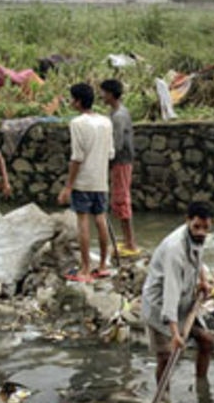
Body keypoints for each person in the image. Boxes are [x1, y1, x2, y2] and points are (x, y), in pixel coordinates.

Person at [141, 201, 214, 390]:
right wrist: (175, 334)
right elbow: (170, 293)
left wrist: (203, 280)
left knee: (206, 341)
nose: (201, 232)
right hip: (160, 305)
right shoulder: (175, 249)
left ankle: (201, 387)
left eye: (205, 228)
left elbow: (198, 257)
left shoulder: (198, 237)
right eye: (197, 227)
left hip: (184, 301)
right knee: (166, 357)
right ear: (188, 221)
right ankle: (164, 397)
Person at [57, 83, 114, 283]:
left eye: (72, 99)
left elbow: (77, 157)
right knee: (100, 219)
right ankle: (103, 265)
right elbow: (110, 153)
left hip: (84, 180)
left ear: (78, 101)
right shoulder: (106, 122)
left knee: (83, 221)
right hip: (101, 179)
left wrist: (68, 185)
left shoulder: (77, 123)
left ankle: (85, 268)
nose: (71, 102)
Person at [100, 79, 140, 258]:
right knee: (120, 199)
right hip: (122, 160)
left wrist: (106, 159)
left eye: (103, 93)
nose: (101, 96)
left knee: (122, 199)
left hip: (121, 161)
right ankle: (127, 241)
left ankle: (130, 243)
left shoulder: (118, 116)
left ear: (110, 94)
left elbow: (116, 143)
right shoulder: (118, 112)